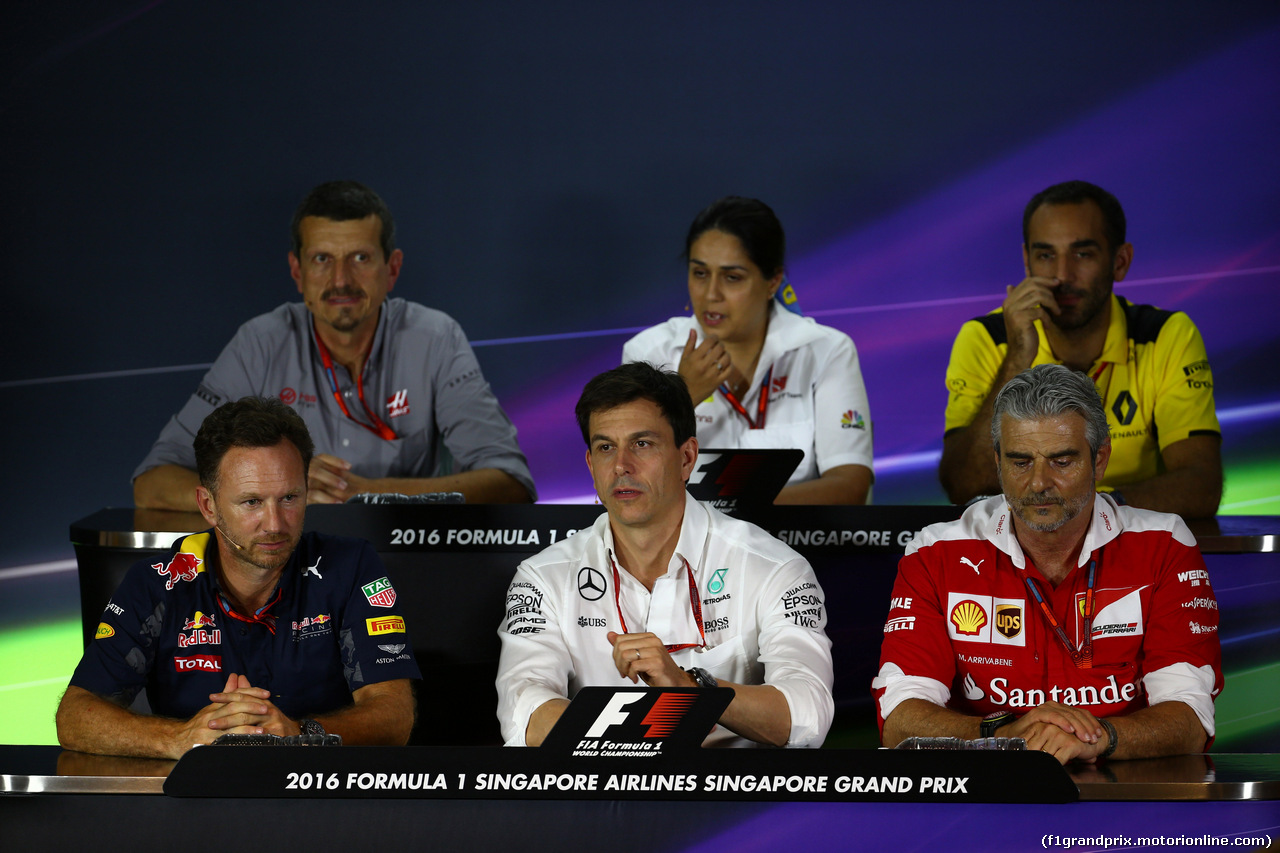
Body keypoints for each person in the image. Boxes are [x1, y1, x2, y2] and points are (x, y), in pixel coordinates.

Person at [875, 364, 1222, 764]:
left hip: (1126, 797)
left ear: (1100, 460)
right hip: (988, 795)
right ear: (998, 462)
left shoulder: (1165, 545)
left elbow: (1191, 716)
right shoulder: (935, 551)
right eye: (1020, 462)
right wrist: (1002, 735)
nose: (1038, 483)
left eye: (1061, 461)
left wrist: (1100, 737)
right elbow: (899, 716)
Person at [133, 180, 535, 511]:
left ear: (391, 269)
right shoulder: (260, 343)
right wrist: (280, 493)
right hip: (288, 572)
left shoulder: (435, 338)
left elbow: (510, 483)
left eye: (360, 257)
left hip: (406, 562)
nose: (341, 279)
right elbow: (153, 484)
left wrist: (367, 495)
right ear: (298, 271)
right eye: (323, 259)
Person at [58, 397, 420, 759]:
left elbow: (394, 714)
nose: (275, 524)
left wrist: (304, 733)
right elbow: (74, 716)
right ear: (208, 506)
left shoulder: (351, 565)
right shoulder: (156, 583)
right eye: (252, 502)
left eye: (290, 498)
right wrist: (181, 738)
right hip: (193, 807)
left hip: (320, 802)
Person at [495, 363, 834, 748]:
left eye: (642, 444)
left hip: (730, 799)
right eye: (606, 447)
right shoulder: (542, 577)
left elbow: (807, 716)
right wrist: (657, 722)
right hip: (601, 795)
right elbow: (524, 714)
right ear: (591, 466)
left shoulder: (776, 568)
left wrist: (690, 688)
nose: (622, 466)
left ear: (687, 458)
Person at [938, 180, 1221, 519]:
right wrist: (1017, 357)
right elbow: (964, 487)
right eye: (1046, 255)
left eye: (1082, 254)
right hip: (1020, 550)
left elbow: (1201, 486)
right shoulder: (986, 338)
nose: (1062, 275)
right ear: (1027, 262)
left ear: (1120, 261)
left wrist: (1081, 512)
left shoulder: (1166, 335)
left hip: (1132, 545)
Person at [622, 196, 873, 505]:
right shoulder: (648, 352)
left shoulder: (826, 351)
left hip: (798, 547)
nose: (711, 294)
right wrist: (681, 398)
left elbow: (850, 487)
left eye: (732, 278)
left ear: (773, 281)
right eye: (700, 273)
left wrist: (729, 513)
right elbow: (627, 483)